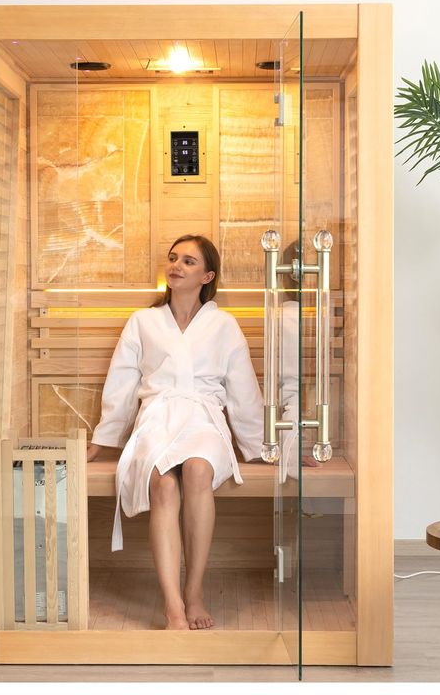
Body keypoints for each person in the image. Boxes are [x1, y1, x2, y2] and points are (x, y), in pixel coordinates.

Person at [87, 234, 264, 631]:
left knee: (199, 470)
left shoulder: (223, 324)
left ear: (207, 275)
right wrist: (102, 441)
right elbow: (121, 383)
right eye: (172, 259)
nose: (176, 266)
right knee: (163, 486)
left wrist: (260, 447)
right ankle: (172, 605)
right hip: (157, 419)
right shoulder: (143, 321)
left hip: (203, 419)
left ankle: (195, 591)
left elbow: (243, 390)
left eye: (188, 261)